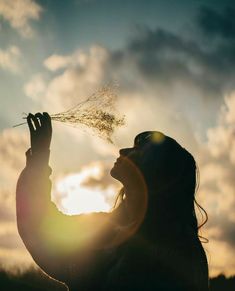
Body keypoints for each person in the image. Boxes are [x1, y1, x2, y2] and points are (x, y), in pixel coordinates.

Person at [16, 112, 209, 291]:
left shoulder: (180, 253)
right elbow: (43, 229)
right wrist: (39, 160)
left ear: (157, 176)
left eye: (139, 152)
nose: (123, 150)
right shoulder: (104, 230)